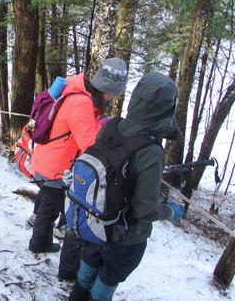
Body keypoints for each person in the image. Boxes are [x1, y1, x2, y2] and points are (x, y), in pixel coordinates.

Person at [68, 71, 185, 301]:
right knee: (107, 280)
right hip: (125, 235)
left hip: (95, 219)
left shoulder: (111, 126)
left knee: (88, 267)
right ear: (166, 110)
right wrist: (171, 210)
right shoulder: (151, 152)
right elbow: (144, 209)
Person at [28, 58, 128, 264]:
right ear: (104, 87)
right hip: (57, 167)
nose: (111, 98)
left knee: (48, 205)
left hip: (47, 159)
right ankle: (53, 255)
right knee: (62, 211)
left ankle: (40, 241)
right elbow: (89, 144)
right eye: (112, 94)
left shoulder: (76, 87)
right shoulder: (82, 103)